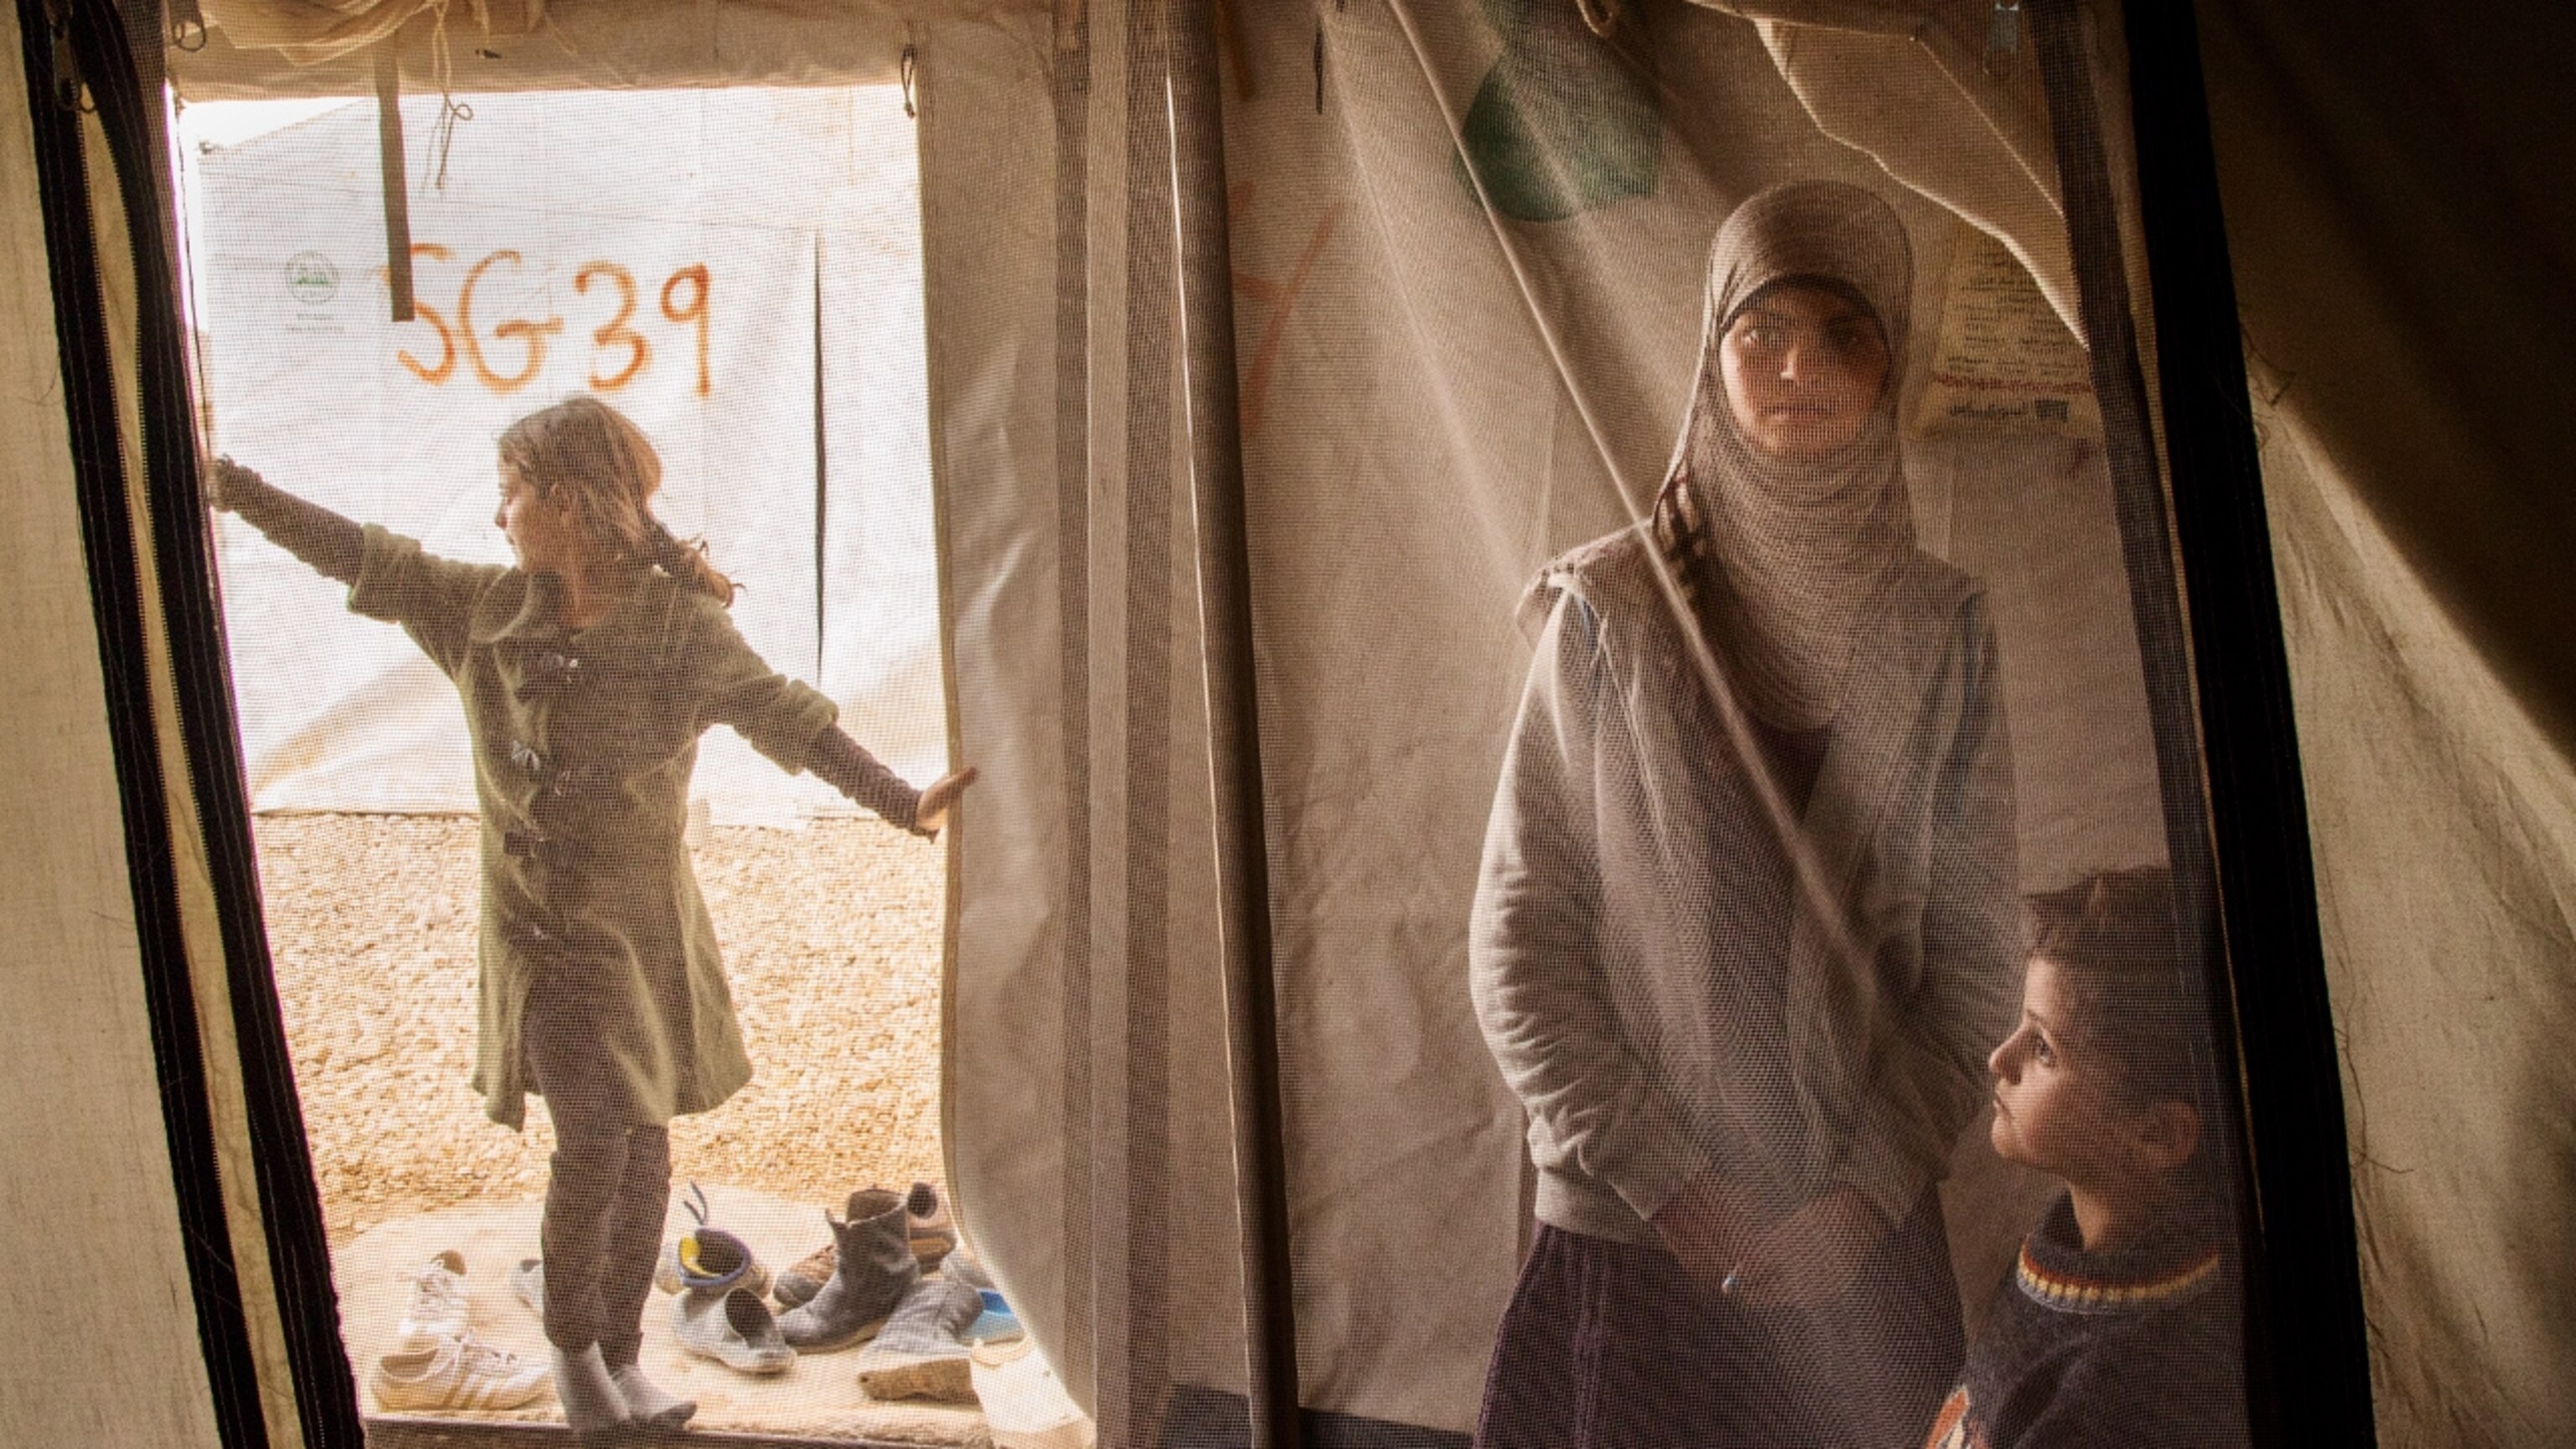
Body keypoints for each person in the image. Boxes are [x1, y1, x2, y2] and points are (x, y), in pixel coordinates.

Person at [206, 397, 975, 1439]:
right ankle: (573, 1357)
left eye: (513, 491)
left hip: (642, 937)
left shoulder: (677, 628)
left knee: (646, 1142)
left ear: (565, 501)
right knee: (595, 1144)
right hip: (541, 940)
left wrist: (900, 802)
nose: (500, 515)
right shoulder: (481, 611)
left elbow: (784, 717)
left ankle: (617, 1351)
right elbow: (358, 554)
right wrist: (231, 487)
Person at [1467, 179, 2021, 1446]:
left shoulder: (1944, 633)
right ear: (1711, 352)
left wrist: (1859, 1202)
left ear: (1892, 362)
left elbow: (1979, 970)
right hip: (1634, 1236)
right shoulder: (1611, 612)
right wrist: (1674, 1186)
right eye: (1761, 330)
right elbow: (1522, 951)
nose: (1800, 367)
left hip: (1859, 1256)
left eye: (1844, 333)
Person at [1923, 866, 2247, 1449]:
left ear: (2158, 1135)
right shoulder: (2061, 1252)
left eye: (2043, 1048)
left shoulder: (2139, 1383)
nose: (2001, 1058)